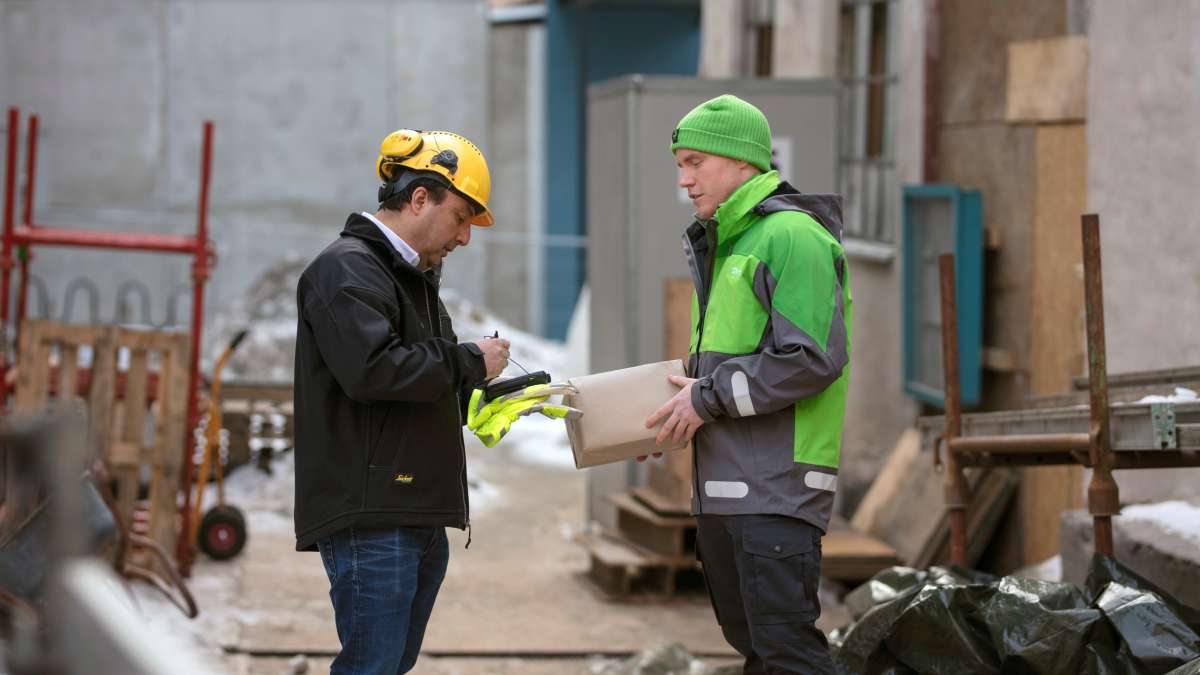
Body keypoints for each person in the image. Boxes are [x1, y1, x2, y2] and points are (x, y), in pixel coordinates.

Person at [645, 95, 852, 674]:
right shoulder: (729, 244)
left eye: (694, 163)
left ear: (741, 162)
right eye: (679, 167)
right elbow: (721, 369)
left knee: (787, 656)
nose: (684, 181)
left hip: (776, 491)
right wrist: (668, 409)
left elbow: (810, 358)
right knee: (758, 652)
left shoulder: (791, 237)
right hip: (729, 491)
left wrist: (704, 398)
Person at [293, 129, 510, 674]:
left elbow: (421, 381)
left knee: (389, 666)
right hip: (372, 513)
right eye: (461, 218)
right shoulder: (346, 269)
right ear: (419, 199)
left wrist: (489, 394)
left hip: (412, 511)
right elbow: (372, 370)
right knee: (372, 667)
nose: (464, 238)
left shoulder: (415, 281)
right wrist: (466, 362)